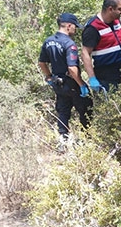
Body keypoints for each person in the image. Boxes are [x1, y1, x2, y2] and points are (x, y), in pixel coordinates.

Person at [38, 13, 93, 144]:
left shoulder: (48, 41)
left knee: (63, 111)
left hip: (58, 84)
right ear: (69, 26)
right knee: (86, 108)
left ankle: (63, 140)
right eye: (75, 27)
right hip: (71, 83)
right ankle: (87, 139)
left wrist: (49, 77)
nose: (75, 30)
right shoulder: (69, 44)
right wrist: (82, 85)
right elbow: (72, 68)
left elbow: (42, 63)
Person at [81, 0, 121, 93]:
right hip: (106, 75)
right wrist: (92, 78)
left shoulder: (117, 22)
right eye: (119, 9)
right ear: (110, 9)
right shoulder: (93, 28)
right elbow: (85, 53)